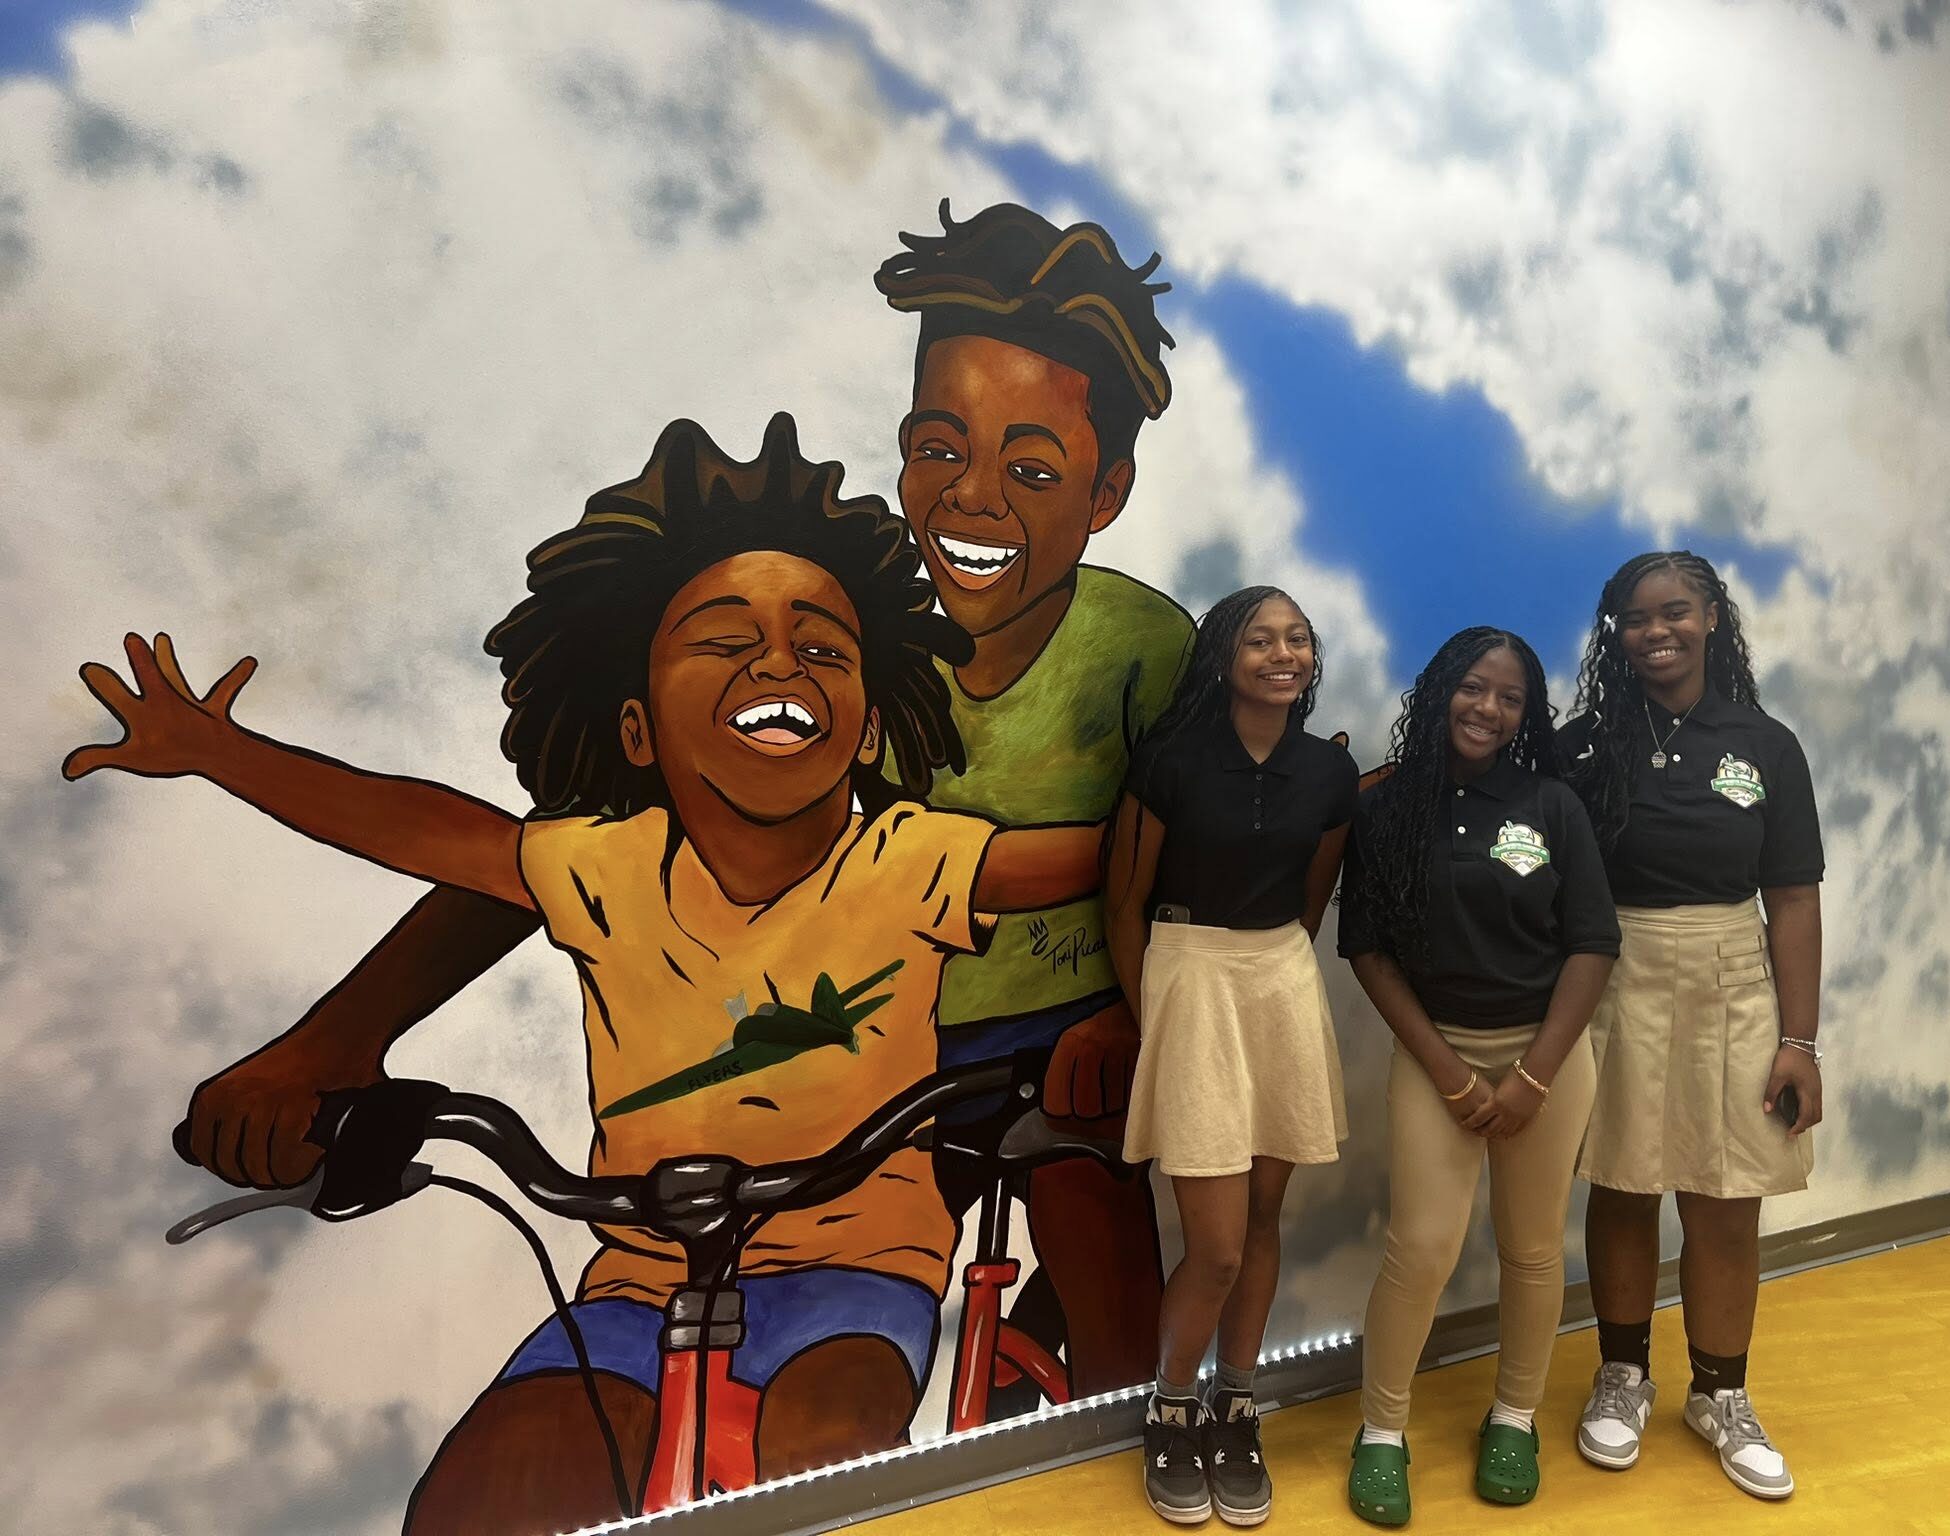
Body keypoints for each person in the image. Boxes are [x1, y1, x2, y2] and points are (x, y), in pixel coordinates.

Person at [62, 415, 1109, 1536]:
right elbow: (427, 831)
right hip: (637, 1279)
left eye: (822, 647)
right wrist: (225, 755)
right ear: (637, 727)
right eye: (724, 639)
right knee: (490, 1492)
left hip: (852, 1271)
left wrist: (1221, 819)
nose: (777, 664)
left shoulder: (909, 860)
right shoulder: (604, 868)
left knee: (825, 1464)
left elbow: (1081, 864)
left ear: (863, 731)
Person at [875, 200, 1192, 1397]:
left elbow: (1190, 860)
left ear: (1104, 492)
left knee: (1105, 1278)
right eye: (938, 449)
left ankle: (1127, 1436)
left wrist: (1126, 1016)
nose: (970, 500)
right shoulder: (856, 639)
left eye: (1031, 469)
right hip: (896, 1039)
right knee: (849, 1302)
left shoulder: (1144, 643)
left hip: (1074, 1029)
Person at [1338, 628, 1618, 1525]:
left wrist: (1533, 1077)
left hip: (1546, 1057)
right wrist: (1452, 1075)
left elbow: (1593, 944)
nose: (1487, 708)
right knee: (1419, 1248)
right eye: (1472, 687)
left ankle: (1515, 1417)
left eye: (1508, 697)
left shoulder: (1549, 803)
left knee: (1533, 1249)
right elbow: (1368, 950)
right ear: (1441, 691)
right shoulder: (1387, 809)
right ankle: (1382, 1433)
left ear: (1526, 714)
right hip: (1436, 1057)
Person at [1561, 551, 1823, 1501]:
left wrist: (1802, 1042)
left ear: (1712, 617)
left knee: (1724, 1195)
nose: (1656, 631)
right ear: (1615, 635)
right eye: (1635, 619)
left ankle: (1722, 1394)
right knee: (1625, 1183)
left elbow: (1792, 900)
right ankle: (1623, 1376)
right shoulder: (1586, 745)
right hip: (1616, 970)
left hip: (1733, 979)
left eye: (1675, 612)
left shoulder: (1767, 744)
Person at [1103, 586, 1357, 1528]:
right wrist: (1154, 1016)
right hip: (1191, 979)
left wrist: (1272, 972)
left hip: (1278, 980)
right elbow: (1122, 905)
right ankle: (1172, 1406)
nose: (1282, 653)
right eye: (1261, 638)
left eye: (1296, 639)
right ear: (1225, 656)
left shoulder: (1328, 776)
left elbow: (1312, 901)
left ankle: (1234, 1405)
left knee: (1261, 1216)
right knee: (1211, 1247)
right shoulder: (1171, 760)